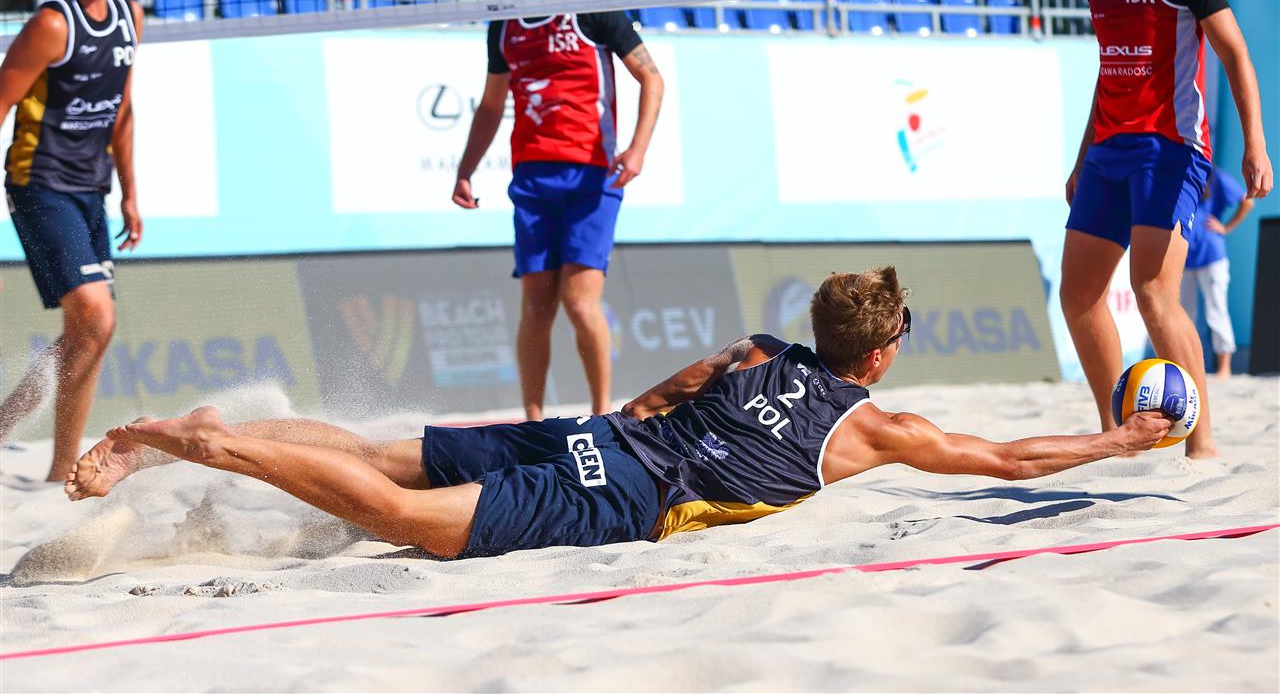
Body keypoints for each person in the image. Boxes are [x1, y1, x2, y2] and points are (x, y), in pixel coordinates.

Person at [65, 268, 1175, 560]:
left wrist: (615, 430)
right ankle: (195, 440)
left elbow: (660, 393)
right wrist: (1121, 438)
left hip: (599, 437)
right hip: (626, 493)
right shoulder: (876, 427)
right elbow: (1008, 458)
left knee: (378, 454)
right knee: (411, 521)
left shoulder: (754, 346)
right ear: (879, 355)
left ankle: (205, 431)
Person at [1060, 0, 1272, 459]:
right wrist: (1082, 158)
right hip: (1108, 150)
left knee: (1154, 291)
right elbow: (1108, 72)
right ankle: (1120, 436)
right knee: (1078, 294)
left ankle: (1202, 446)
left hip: (1171, 148)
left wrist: (1255, 143)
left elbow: (1235, 53)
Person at [451, 0, 664, 422]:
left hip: (593, 175)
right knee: (536, 304)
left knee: (579, 301)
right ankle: (533, 420)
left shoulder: (591, 8)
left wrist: (637, 150)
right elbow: (491, 104)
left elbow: (652, 79)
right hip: (532, 177)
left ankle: (603, 417)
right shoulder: (505, 23)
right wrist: (465, 170)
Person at [0, 0, 143, 481]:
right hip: (39, 183)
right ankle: (62, 471)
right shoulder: (53, 24)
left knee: (87, 331)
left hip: (91, 189)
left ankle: (3, 427)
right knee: (97, 319)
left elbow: (122, 110)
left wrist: (130, 192)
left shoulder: (130, 15)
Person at [1181, 170, 1252, 378]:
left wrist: (1226, 227)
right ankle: (1187, 367)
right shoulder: (1180, 172)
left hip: (1212, 255)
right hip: (1184, 256)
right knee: (1184, 314)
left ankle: (1224, 368)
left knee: (1216, 310)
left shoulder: (1216, 176)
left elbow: (1247, 202)